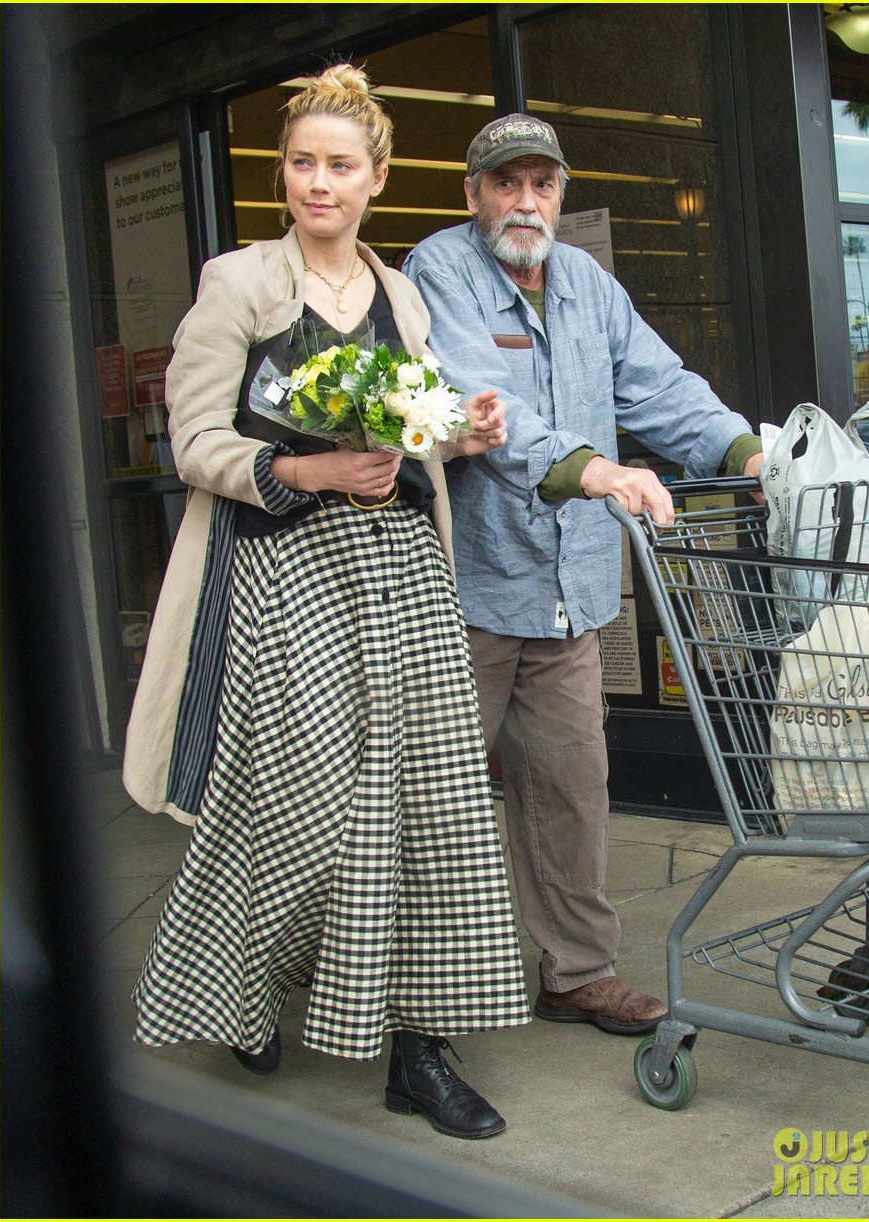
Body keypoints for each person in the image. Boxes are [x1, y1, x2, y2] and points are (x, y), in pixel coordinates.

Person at [123, 66, 532, 1141]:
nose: (319, 182)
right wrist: (302, 472)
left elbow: (418, 422)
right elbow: (197, 439)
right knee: (292, 806)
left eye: (339, 166)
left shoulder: (398, 294)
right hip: (284, 574)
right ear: (284, 177)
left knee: (430, 803)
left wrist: (463, 427)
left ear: (376, 179)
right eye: (302, 163)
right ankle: (247, 986)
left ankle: (417, 1049)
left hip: (398, 569)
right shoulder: (241, 281)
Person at [404, 113, 763, 1037]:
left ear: (560, 193)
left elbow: (659, 385)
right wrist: (594, 468)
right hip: (472, 586)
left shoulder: (589, 286)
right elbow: (474, 398)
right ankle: (406, 991)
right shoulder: (440, 271)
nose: (526, 200)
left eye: (543, 183)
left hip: (571, 592)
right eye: (506, 182)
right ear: (473, 193)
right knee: (430, 800)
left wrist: (749, 451)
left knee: (570, 786)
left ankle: (576, 971)